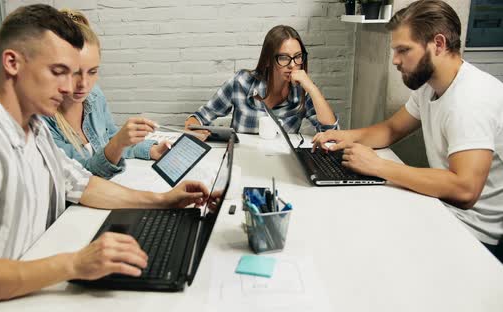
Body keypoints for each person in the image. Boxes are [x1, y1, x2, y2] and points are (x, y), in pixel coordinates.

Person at [0, 5, 208, 311]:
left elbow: (84, 184)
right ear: (12, 62)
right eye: (58, 72)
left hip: (27, 292)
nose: (70, 87)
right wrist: (75, 264)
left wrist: (163, 201)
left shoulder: (34, 128)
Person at [312, 0, 503, 261]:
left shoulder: (470, 101)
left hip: (475, 234)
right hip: (445, 210)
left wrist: (378, 167)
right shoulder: (429, 85)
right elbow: (391, 129)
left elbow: (465, 190)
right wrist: (345, 136)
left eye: (403, 50)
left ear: (438, 44)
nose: (395, 60)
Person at [42, 10, 170, 179]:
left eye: (92, 71)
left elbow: (109, 138)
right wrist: (118, 142)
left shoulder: (94, 95)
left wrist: (151, 149)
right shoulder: (41, 119)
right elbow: (83, 176)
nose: (84, 84)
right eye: (74, 72)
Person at [185, 25, 338, 136]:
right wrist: (195, 131)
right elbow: (198, 118)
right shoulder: (241, 82)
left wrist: (311, 87)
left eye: (298, 56)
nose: (293, 65)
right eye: (284, 57)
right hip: (242, 162)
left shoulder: (302, 90)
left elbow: (332, 133)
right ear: (267, 61)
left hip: (283, 165)